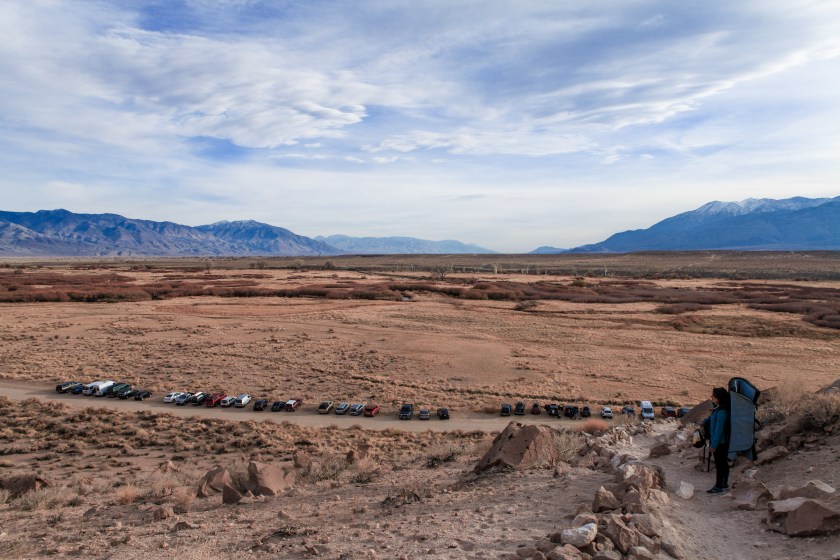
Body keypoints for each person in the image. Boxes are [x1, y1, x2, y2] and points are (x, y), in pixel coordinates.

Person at [707, 386, 730, 494]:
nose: (712, 398)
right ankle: (724, 484)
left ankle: (718, 486)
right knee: (723, 463)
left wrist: (713, 445)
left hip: (720, 442)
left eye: (714, 396)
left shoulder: (722, 412)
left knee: (720, 464)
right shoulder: (719, 409)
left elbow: (718, 429)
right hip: (721, 442)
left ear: (719, 398)